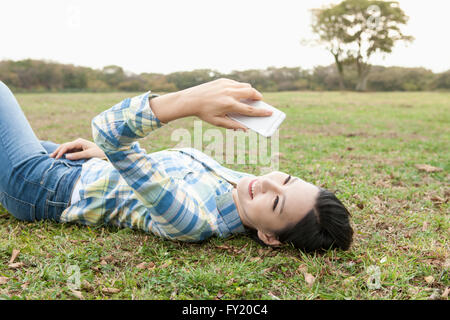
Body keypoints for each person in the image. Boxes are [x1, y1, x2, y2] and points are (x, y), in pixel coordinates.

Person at [0, 78, 353, 252]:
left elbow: (108, 128)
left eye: (276, 202)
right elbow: (141, 165)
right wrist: (106, 155)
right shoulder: (241, 186)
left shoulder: (193, 220)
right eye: (287, 180)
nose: (267, 184)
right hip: (82, 165)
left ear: (269, 236)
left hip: (43, 187)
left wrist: (190, 100)